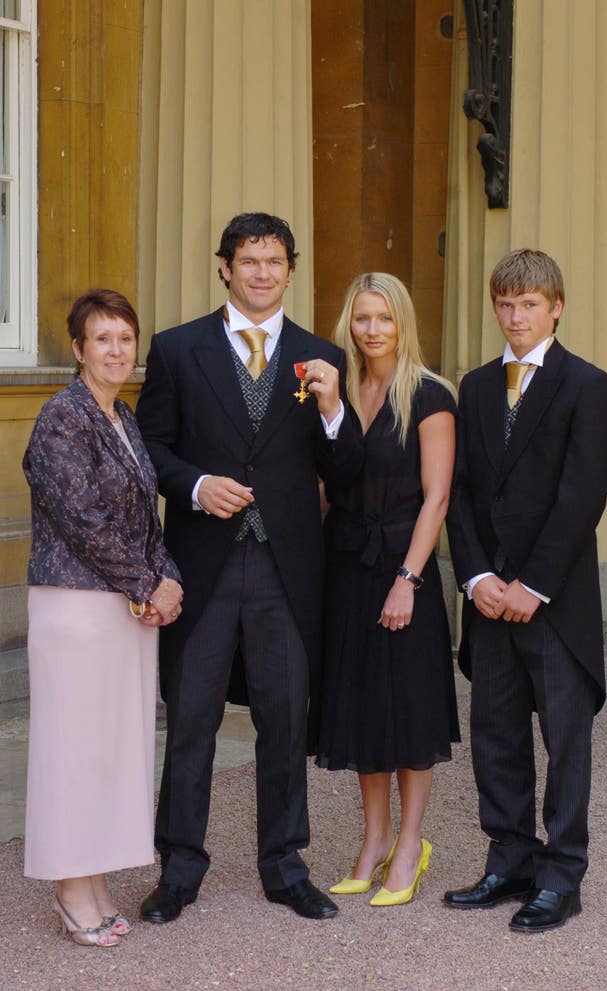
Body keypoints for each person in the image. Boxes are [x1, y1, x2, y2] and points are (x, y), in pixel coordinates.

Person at [135, 212, 363, 923]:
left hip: (285, 570)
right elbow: (150, 450)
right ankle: (179, 868)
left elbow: (344, 469)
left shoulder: (321, 353)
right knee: (193, 717)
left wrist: (332, 411)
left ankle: (284, 865)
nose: (261, 272)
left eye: (274, 261)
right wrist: (199, 486)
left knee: (283, 721)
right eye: (248, 260)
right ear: (225, 267)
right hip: (202, 565)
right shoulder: (177, 349)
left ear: (290, 268)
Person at [445, 249, 607, 932]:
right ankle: (510, 859)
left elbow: (583, 495)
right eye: (505, 304)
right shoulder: (477, 385)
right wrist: (479, 576)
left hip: (554, 602)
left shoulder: (587, 384)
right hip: (489, 600)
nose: (515, 316)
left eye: (528, 304)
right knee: (495, 735)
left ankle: (562, 873)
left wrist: (533, 583)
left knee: (565, 740)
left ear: (556, 306)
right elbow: (460, 491)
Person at [22, 290, 183, 947]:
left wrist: (166, 578)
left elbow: (143, 513)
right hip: (75, 607)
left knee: (109, 749)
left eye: (125, 338)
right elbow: (82, 519)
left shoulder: (123, 415)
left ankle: (91, 880)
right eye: (103, 339)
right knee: (73, 749)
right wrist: (150, 582)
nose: (116, 349)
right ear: (78, 348)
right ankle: (69, 889)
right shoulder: (62, 417)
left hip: (122, 607)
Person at [313, 273, 460, 906]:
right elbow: (327, 483)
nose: (373, 330)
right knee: (363, 707)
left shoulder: (430, 396)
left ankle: (410, 846)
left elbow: (438, 497)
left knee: (410, 710)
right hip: (347, 569)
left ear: (403, 324)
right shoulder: (336, 391)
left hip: (407, 573)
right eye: (362, 318)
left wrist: (408, 579)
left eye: (385, 319)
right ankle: (373, 841)